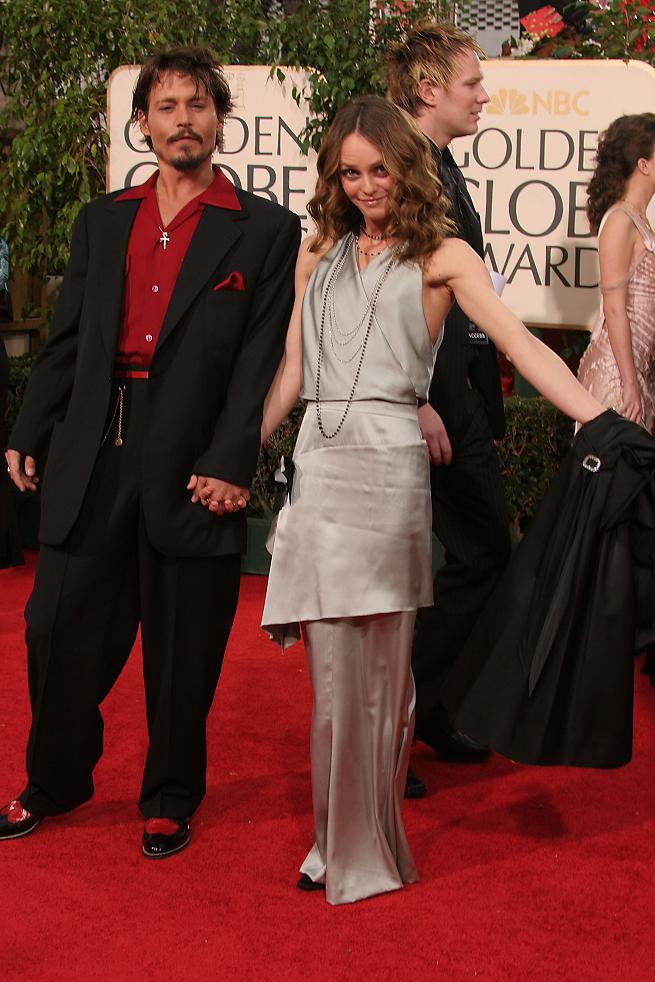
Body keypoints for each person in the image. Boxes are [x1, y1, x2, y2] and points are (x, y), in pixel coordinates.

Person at [260, 94, 604, 905]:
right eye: (349, 173)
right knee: (329, 681)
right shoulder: (316, 253)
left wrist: (599, 419)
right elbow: (293, 371)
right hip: (321, 467)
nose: (365, 187)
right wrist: (234, 450)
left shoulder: (444, 256)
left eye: (379, 170)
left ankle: (369, 846)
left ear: (407, 168)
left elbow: (518, 343)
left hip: (387, 471)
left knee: (382, 681)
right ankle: (331, 841)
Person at [1, 46, 300, 856]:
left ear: (220, 119)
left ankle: (169, 795)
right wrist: (29, 428)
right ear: (143, 123)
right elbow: (67, 340)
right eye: (166, 106)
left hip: (194, 458)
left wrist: (231, 457)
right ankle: (53, 780)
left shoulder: (265, 230)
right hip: (94, 447)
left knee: (183, 645)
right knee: (52, 628)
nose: (183, 120)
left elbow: (261, 358)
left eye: (198, 105)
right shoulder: (100, 221)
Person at [386, 23, 511, 790]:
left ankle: (419, 706)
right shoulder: (402, 171)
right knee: (477, 554)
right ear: (429, 90)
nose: (483, 96)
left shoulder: (440, 163)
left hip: (453, 394)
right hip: (423, 401)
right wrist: (421, 398)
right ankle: (401, 715)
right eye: (472, 83)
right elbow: (393, 294)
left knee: (474, 556)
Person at [577, 113, 655, 432]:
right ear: (643, 164)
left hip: (637, 371)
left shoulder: (639, 220)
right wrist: (629, 382)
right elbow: (614, 308)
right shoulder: (621, 220)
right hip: (617, 375)